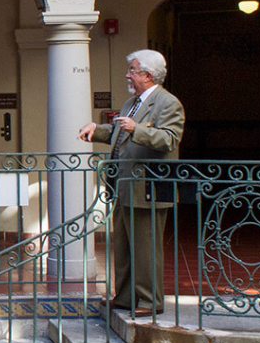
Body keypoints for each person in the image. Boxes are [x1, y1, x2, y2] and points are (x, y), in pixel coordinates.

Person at [77, 49, 185, 317]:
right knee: (123, 244)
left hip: (149, 186)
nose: (128, 74)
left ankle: (150, 301)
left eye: (133, 70)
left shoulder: (168, 103)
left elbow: (169, 139)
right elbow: (118, 132)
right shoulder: (130, 103)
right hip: (123, 185)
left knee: (146, 247)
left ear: (148, 75)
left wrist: (137, 129)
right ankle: (125, 297)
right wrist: (96, 129)